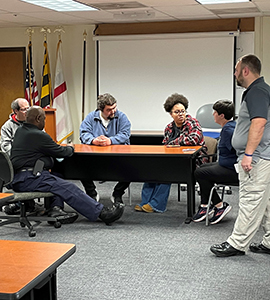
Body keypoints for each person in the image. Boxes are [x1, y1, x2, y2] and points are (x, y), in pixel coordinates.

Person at [10, 106, 124, 226]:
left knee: (57, 174)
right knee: (68, 187)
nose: (44, 122)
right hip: (30, 178)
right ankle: (102, 213)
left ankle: (55, 209)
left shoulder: (21, 131)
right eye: (44, 119)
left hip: (20, 177)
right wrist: (71, 147)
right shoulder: (38, 135)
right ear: (38, 119)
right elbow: (63, 152)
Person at [210, 54, 270, 257]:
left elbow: (259, 123)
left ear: (245, 70)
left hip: (257, 157)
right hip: (264, 156)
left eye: (236, 70)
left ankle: (237, 243)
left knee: (250, 199)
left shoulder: (257, 92)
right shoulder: (261, 90)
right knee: (267, 202)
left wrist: (249, 154)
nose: (235, 74)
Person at [135, 93, 208, 213]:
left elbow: (193, 139)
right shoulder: (169, 127)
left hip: (194, 161)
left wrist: (174, 143)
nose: (181, 114)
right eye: (177, 112)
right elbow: (165, 146)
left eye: (183, 111)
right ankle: (145, 202)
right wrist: (174, 144)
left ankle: (157, 205)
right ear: (171, 114)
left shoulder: (192, 123)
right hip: (174, 159)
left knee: (166, 172)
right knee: (150, 169)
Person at [193, 100, 238, 224]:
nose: (213, 114)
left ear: (221, 115)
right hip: (226, 165)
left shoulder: (228, 130)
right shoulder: (230, 126)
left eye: (215, 112)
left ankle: (218, 206)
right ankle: (205, 205)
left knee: (200, 173)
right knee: (203, 169)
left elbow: (237, 150)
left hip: (232, 169)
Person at [80, 93, 131, 204]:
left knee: (132, 170)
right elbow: (84, 133)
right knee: (80, 168)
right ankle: (92, 194)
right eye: (109, 109)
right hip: (96, 157)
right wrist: (93, 140)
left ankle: (117, 194)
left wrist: (110, 141)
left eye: (114, 107)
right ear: (101, 109)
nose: (113, 111)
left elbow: (125, 134)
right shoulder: (91, 117)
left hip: (118, 157)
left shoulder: (122, 117)